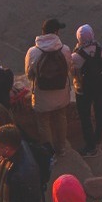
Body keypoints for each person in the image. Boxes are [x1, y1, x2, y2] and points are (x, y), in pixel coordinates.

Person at [25, 18, 72, 158]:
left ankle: (49, 153)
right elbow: (68, 68)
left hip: (42, 96)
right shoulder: (65, 50)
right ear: (56, 32)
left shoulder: (33, 52)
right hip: (61, 93)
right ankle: (61, 148)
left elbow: (29, 74)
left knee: (43, 123)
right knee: (61, 118)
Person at [71, 24, 102, 158]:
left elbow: (72, 72)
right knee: (100, 111)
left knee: (85, 116)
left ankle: (90, 146)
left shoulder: (75, 57)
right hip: (100, 86)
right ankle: (98, 137)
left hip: (84, 90)